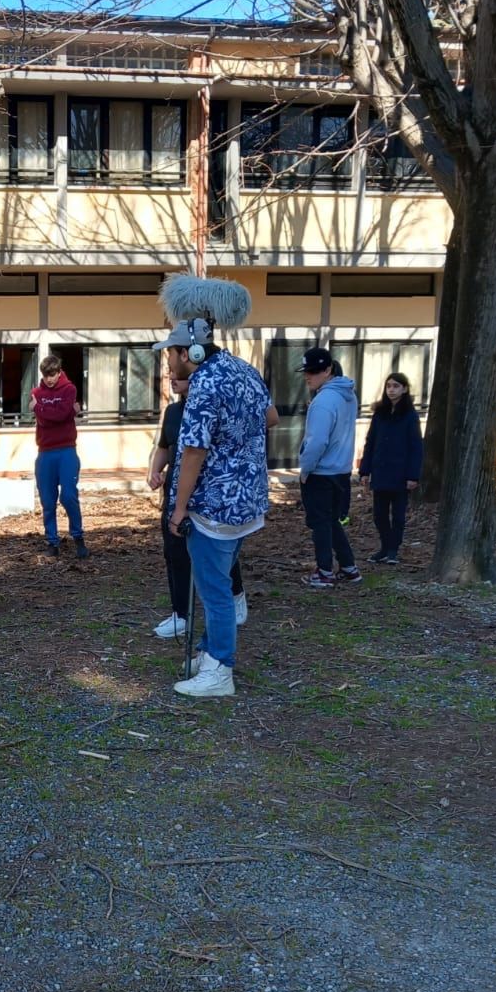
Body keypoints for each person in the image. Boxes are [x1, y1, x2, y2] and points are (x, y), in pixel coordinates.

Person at [163, 274, 269, 698]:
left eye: (170, 353)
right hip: (247, 501)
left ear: (189, 351)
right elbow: (271, 418)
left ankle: (219, 669)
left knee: (215, 591)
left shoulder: (205, 384)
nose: (168, 361)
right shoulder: (244, 372)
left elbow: (192, 451)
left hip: (214, 506)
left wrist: (178, 507)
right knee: (219, 580)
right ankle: (209, 651)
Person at [148, 343, 246, 640]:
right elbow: (164, 447)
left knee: (217, 553)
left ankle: (235, 595)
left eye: (177, 375)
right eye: (170, 376)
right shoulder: (173, 412)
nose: (172, 378)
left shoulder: (210, 406)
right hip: (175, 491)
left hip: (207, 494)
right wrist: (155, 470)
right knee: (174, 552)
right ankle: (181, 613)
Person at [296, 345, 360, 587]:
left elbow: (316, 441)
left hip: (321, 472)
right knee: (332, 521)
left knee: (320, 523)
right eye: (306, 371)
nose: (307, 376)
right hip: (341, 470)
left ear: (328, 370)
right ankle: (348, 567)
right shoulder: (348, 395)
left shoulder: (322, 401)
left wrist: (306, 469)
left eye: (313, 371)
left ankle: (324, 571)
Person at [358, 370, 423, 565]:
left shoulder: (410, 416)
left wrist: (413, 475)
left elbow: (416, 447)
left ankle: (393, 550)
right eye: (388, 386)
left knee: (398, 515)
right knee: (379, 514)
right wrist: (364, 470)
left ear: (404, 389)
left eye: (396, 386)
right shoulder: (380, 413)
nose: (391, 390)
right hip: (380, 471)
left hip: (401, 473)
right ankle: (385, 547)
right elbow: (370, 442)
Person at [31, 353, 87, 559]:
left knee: (69, 495)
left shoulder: (69, 389)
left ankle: (78, 536)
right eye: (46, 375)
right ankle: (52, 542)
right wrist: (57, 412)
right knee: (47, 500)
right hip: (45, 452)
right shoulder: (36, 392)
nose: (49, 379)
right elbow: (48, 420)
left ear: (59, 371)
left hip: (66, 450)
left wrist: (39, 408)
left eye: (53, 374)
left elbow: (60, 415)